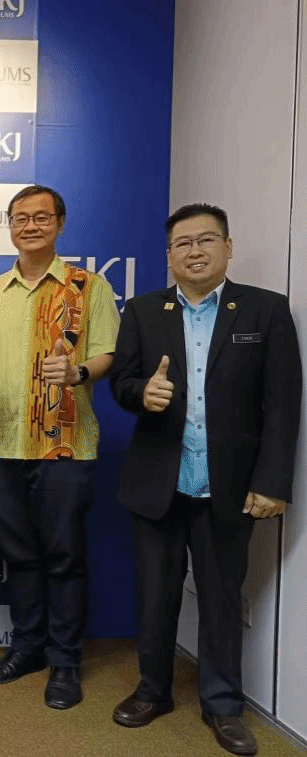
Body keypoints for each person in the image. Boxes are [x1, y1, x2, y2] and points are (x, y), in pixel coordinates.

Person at [108, 204, 301, 757]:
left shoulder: (266, 310)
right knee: (155, 597)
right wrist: (141, 393)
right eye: (183, 244)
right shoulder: (144, 310)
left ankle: (222, 705)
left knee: (221, 600)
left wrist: (273, 482)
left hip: (230, 488)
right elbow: (121, 381)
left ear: (228, 247)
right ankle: (152, 691)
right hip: (158, 483)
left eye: (206, 240)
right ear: (169, 255)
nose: (194, 252)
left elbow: (283, 404)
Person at [0, 184, 120, 709]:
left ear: (60, 223)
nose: (30, 226)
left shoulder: (88, 286)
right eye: (21, 218)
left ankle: (65, 661)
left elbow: (107, 353)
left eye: (41, 217)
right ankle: (27, 648)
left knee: (64, 557)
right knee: (18, 556)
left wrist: (78, 372)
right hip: (3, 444)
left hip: (65, 447)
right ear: (10, 226)